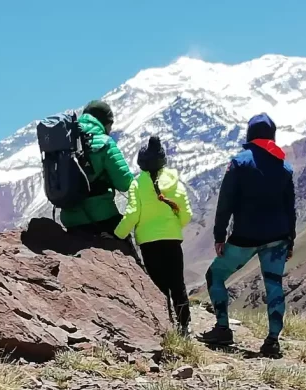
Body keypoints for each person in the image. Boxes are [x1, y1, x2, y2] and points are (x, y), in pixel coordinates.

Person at [198, 113, 296, 358]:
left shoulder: (240, 163)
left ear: (250, 134)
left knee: (215, 275)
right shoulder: (284, 167)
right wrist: (291, 239)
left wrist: (219, 236)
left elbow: (225, 203)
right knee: (274, 284)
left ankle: (222, 328)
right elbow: (290, 208)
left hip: (245, 236)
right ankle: (272, 341)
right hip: (278, 236)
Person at [114, 136, 193, 335]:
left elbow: (132, 214)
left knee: (158, 286)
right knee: (177, 284)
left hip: (149, 243)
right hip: (172, 240)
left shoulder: (137, 185)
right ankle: (184, 326)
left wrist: (118, 234)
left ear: (141, 163)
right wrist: (174, 227)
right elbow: (187, 214)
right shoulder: (175, 182)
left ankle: (164, 326)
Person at [61, 100, 134, 237]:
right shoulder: (104, 142)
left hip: (70, 219)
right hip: (101, 216)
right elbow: (125, 183)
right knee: (124, 237)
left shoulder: (64, 142)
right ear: (105, 122)